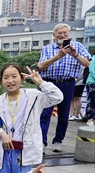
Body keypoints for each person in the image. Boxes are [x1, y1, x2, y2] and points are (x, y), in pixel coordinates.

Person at [37, 23, 91, 152]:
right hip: (49, 82)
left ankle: (58, 141)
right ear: (54, 35)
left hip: (67, 83)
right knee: (45, 113)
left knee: (63, 114)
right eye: (59, 33)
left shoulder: (77, 47)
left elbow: (88, 63)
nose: (62, 35)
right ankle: (42, 142)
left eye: (65, 33)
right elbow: (41, 66)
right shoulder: (47, 48)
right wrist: (58, 56)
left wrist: (75, 55)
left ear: (69, 34)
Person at [86, 58, 95, 126]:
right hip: (92, 83)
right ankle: (90, 118)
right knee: (91, 101)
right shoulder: (94, 58)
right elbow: (92, 70)